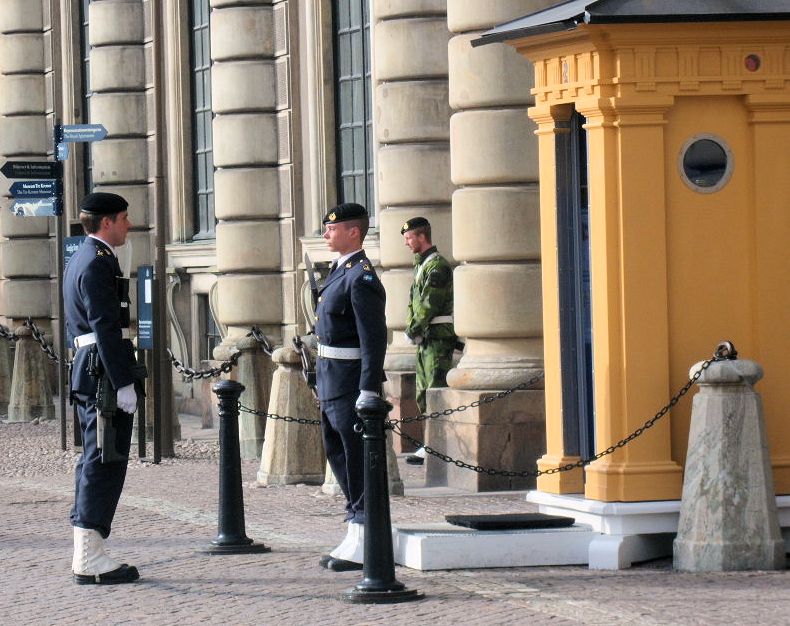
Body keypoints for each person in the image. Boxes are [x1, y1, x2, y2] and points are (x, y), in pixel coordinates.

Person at [65, 192, 141, 584]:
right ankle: (89, 557)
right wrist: (123, 381)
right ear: (107, 222)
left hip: (91, 368)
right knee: (104, 459)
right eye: (124, 218)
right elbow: (105, 326)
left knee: (97, 457)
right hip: (101, 373)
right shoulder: (97, 263)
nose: (129, 224)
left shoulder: (85, 256)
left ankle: (88, 549)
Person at [314, 202, 387, 572]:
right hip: (331, 381)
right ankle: (355, 528)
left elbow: (373, 339)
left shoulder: (362, 277)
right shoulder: (339, 271)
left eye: (332, 228)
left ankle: (363, 533)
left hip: (349, 384)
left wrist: (369, 389)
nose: (326, 234)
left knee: (356, 460)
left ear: (353, 232)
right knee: (338, 455)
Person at [401, 217, 456, 465]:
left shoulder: (437, 267)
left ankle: (436, 446)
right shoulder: (423, 265)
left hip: (436, 339)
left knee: (435, 390)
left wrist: (412, 328)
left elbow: (428, 304)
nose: (406, 243)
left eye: (409, 237)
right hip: (427, 338)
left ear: (422, 237)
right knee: (424, 393)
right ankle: (431, 444)